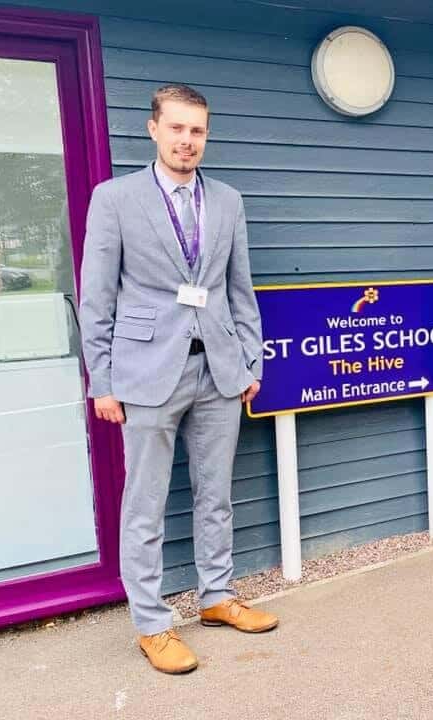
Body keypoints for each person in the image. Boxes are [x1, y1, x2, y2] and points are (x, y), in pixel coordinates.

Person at [79, 84, 277, 674]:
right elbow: (97, 297)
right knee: (145, 503)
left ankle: (216, 597)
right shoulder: (114, 199)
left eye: (197, 131)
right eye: (177, 129)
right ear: (154, 129)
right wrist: (102, 380)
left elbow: (239, 290)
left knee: (216, 496)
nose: (187, 141)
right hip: (143, 375)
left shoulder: (228, 200)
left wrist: (250, 362)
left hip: (218, 370)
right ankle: (151, 621)